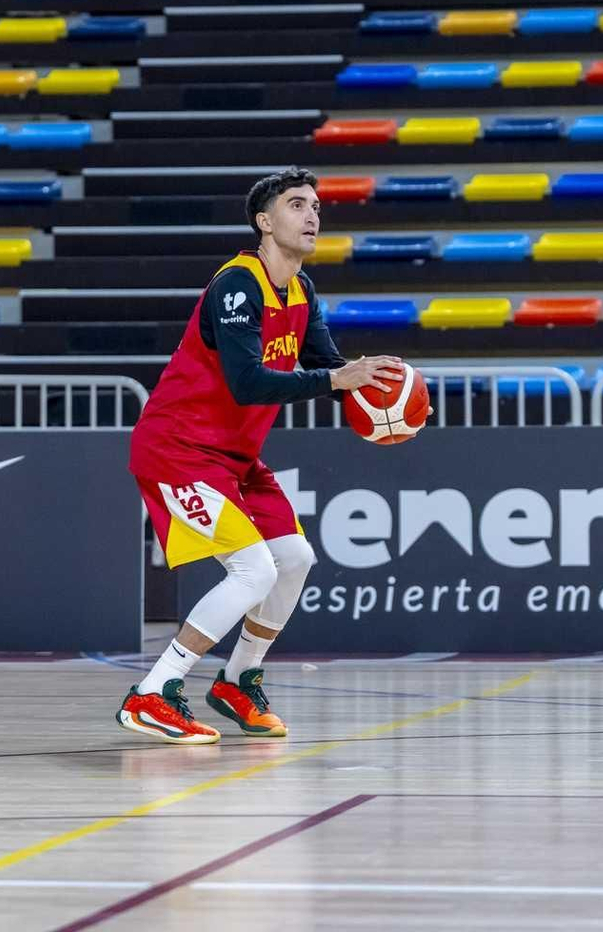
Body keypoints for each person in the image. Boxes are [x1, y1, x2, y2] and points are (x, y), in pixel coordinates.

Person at [119, 167, 409, 744]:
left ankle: (236, 679)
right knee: (253, 570)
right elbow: (249, 382)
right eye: (297, 205)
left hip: (234, 457)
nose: (312, 216)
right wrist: (335, 382)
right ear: (264, 221)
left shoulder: (302, 290)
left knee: (295, 558)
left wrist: (382, 392)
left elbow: (327, 365)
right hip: (180, 449)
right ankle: (153, 692)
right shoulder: (237, 284)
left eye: (317, 207)